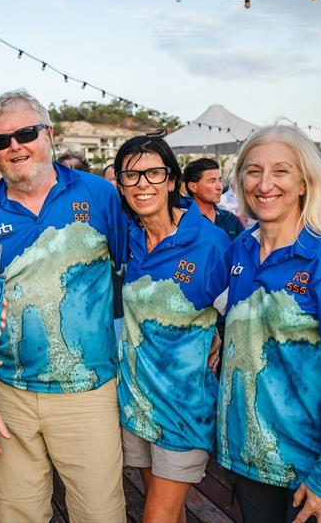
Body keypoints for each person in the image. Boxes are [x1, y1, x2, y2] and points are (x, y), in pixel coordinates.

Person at [0, 89, 127, 522]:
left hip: (88, 393)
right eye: (1, 141)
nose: (15, 146)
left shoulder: (101, 196)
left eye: (25, 133)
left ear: (48, 134)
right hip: (7, 394)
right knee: (17, 516)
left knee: (101, 514)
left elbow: (130, 277)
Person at [218, 125, 321, 523]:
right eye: (253, 171)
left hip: (312, 472)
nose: (264, 184)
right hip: (249, 460)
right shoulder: (241, 247)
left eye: (280, 171)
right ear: (240, 179)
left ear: (304, 182)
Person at [114, 134, 230, 523]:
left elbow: (242, 316)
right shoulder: (130, 238)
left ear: (172, 182)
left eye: (153, 173)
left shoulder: (210, 242)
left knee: (157, 516)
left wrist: (219, 335)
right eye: (132, 175)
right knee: (167, 510)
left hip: (185, 409)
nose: (142, 183)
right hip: (138, 402)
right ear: (121, 184)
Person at [183, 158, 244, 240]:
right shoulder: (182, 222)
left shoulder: (231, 220)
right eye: (212, 181)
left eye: (220, 180)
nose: (220, 187)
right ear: (193, 187)